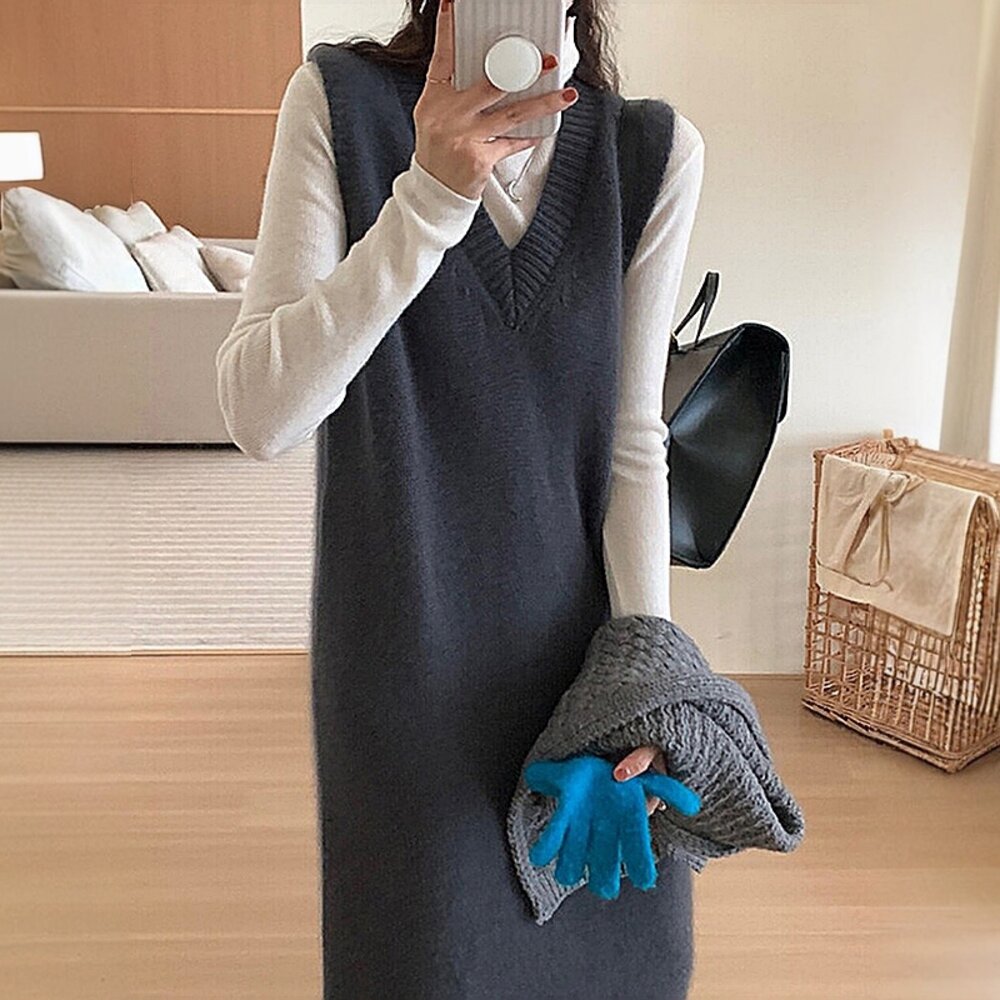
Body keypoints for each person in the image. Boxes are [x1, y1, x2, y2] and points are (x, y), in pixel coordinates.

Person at [216, 0, 705, 995]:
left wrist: (643, 674)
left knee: (625, 964)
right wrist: (429, 200)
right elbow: (261, 414)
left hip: (585, 668)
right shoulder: (340, 106)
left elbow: (633, 442)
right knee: (426, 961)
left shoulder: (652, 152)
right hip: (404, 663)